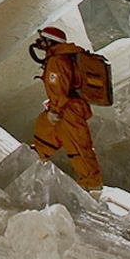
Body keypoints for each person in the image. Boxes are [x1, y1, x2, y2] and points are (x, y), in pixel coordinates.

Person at [29, 25, 103, 197]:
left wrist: (55, 109)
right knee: (44, 132)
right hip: (65, 108)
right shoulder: (62, 57)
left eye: (43, 39)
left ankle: (91, 184)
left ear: (50, 41)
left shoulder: (57, 61)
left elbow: (58, 89)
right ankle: (33, 161)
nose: (39, 43)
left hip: (68, 110)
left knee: (77, 145)